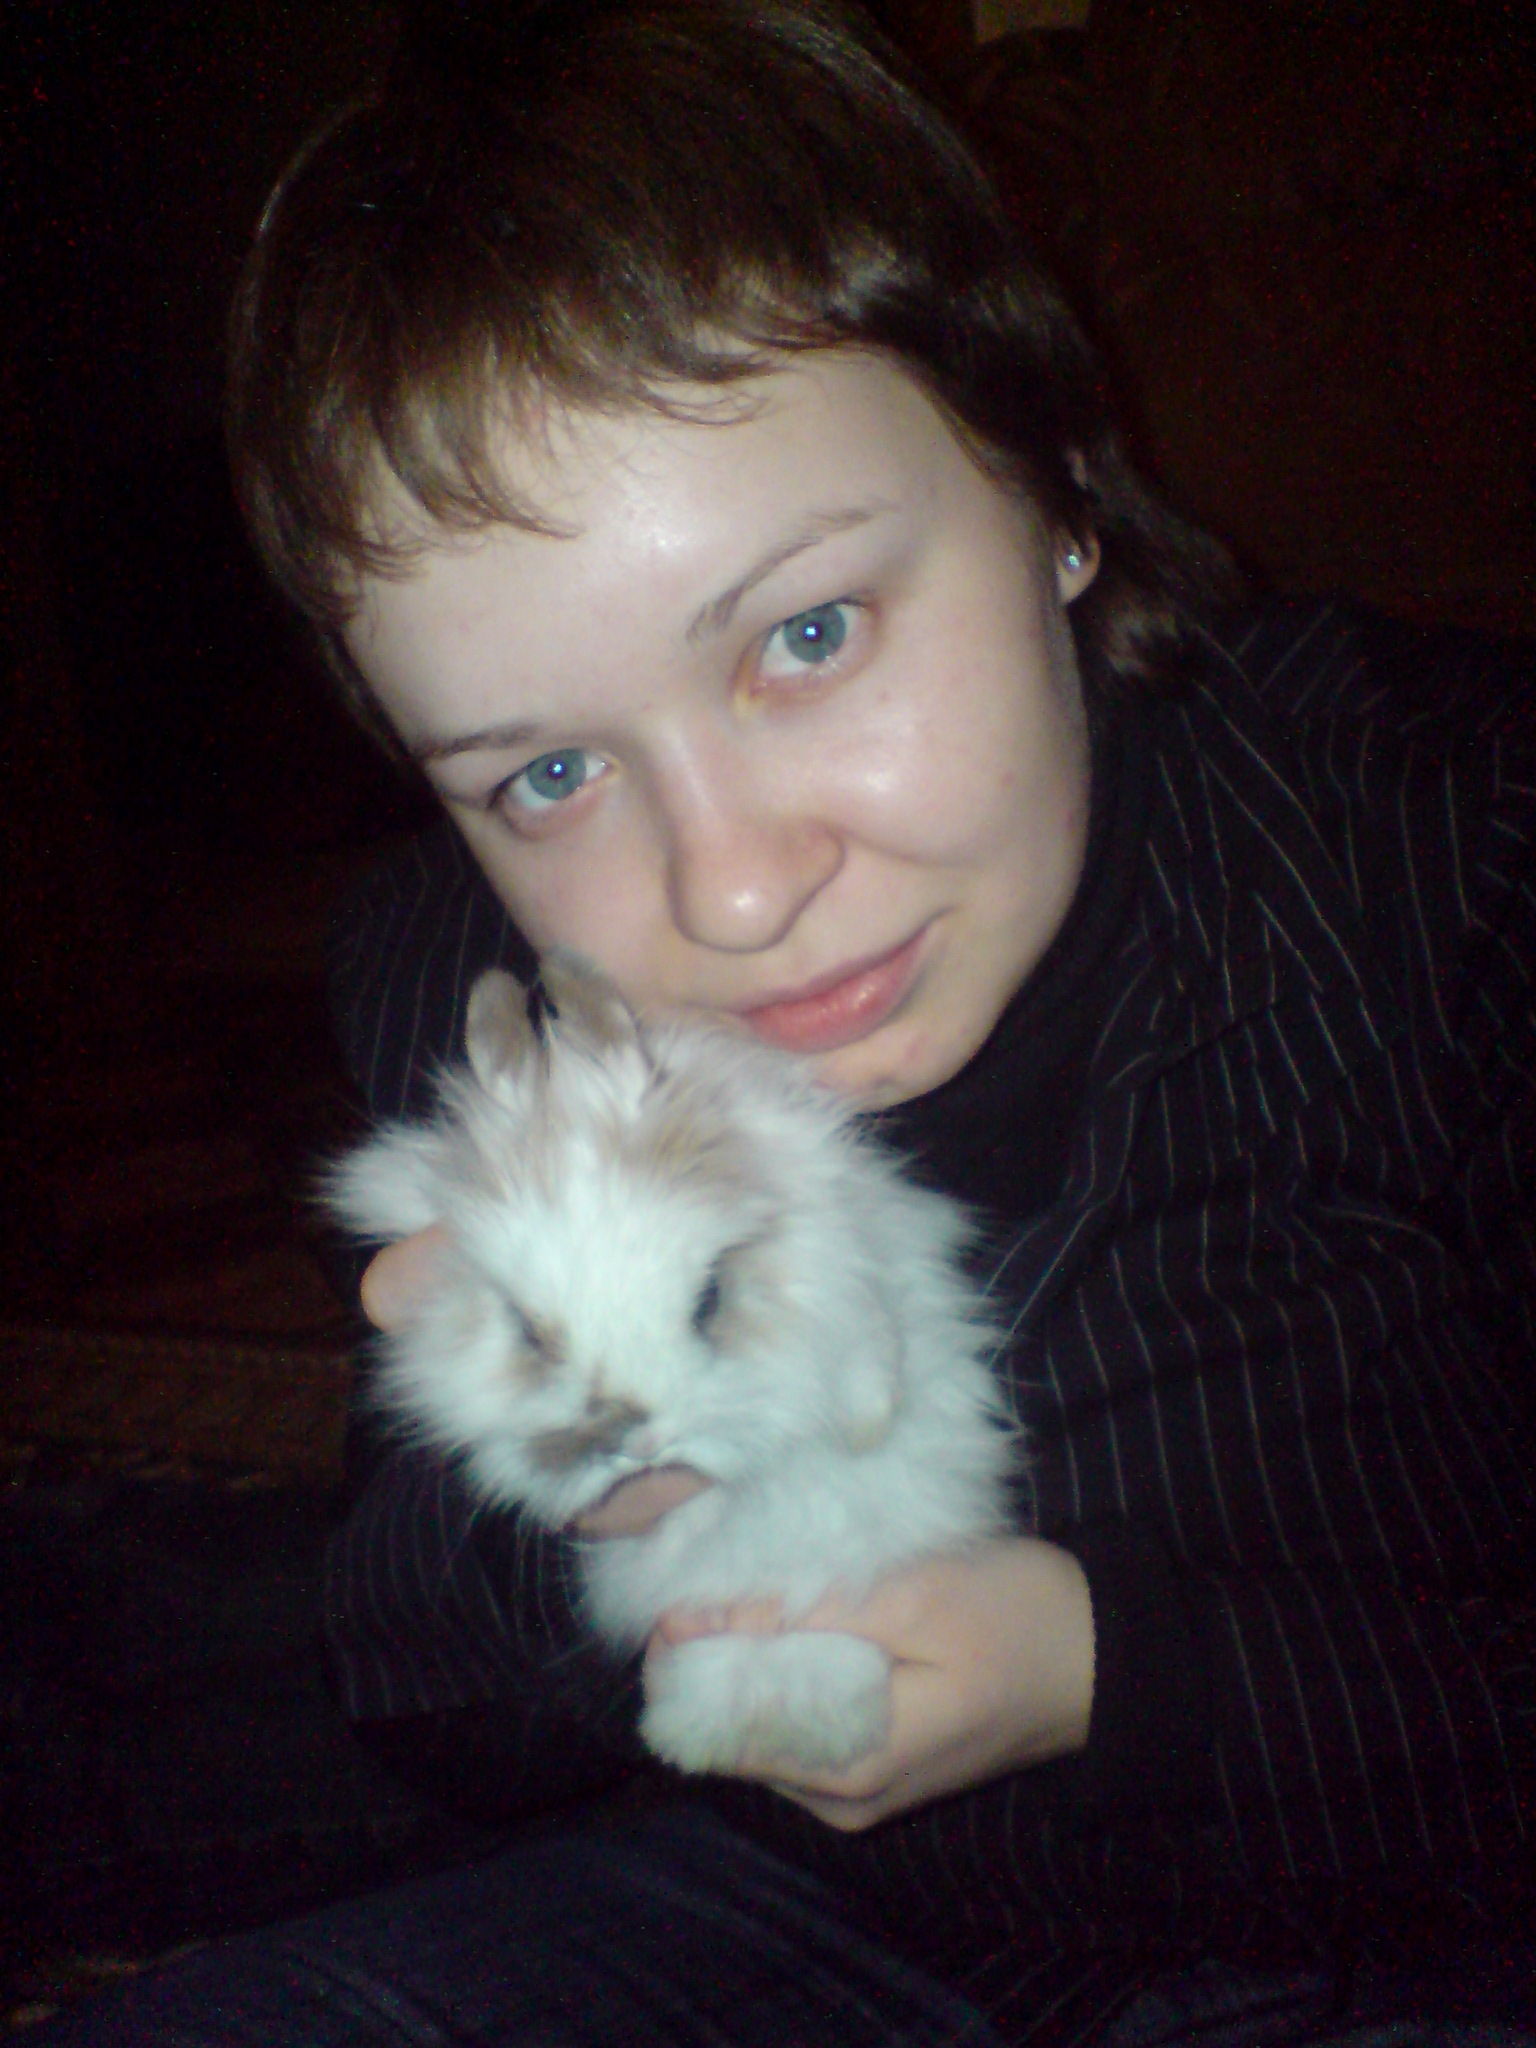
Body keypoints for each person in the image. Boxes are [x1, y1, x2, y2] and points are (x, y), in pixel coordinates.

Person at [37, 0, 1535, 2040]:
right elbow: (433, 1700)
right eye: (547, 772)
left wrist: (1125, 1678)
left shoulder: (1458, 857)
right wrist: (549, 1503)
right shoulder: (471, 987)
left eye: (808, 633)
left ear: (1053, 482)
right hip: (796, 1909)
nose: (730, 894)